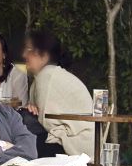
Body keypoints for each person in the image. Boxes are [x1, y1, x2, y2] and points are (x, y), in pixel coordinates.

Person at [22, 31, 95, 159]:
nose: (24, 55)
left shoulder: (47, 76)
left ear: (43, 56)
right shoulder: (45, 76)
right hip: (83, 141)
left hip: (78, 145)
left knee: (21, 145)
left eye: (29, 50)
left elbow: (47, 123)